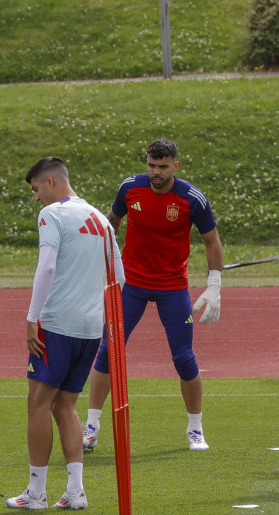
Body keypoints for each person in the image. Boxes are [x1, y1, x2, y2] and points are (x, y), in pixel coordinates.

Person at [83, 139, 223, 453]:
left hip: (172, 287)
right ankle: (91, 426)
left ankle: (195, 429)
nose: (155, 172)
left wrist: (214, 284)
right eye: (151, 165)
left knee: (184, 358)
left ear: (175, 165)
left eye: (162, 166)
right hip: (131, 284)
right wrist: (100, 260)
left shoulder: (191, 199)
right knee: (109, 350)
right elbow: (112, 224)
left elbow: (211, 240)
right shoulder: (130, 189)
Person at [5, 156, 123, 511]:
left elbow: (48, 265)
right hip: (91, 328)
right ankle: (75, 491)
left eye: (36, 188)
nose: (36, 197)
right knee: (66, 404)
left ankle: (36, 493)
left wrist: (31, 317)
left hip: (57, 324)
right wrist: (110, 322)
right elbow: (119, 274)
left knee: (38, 404)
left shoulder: (52, 215)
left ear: (50, 182)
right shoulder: (101, 219)